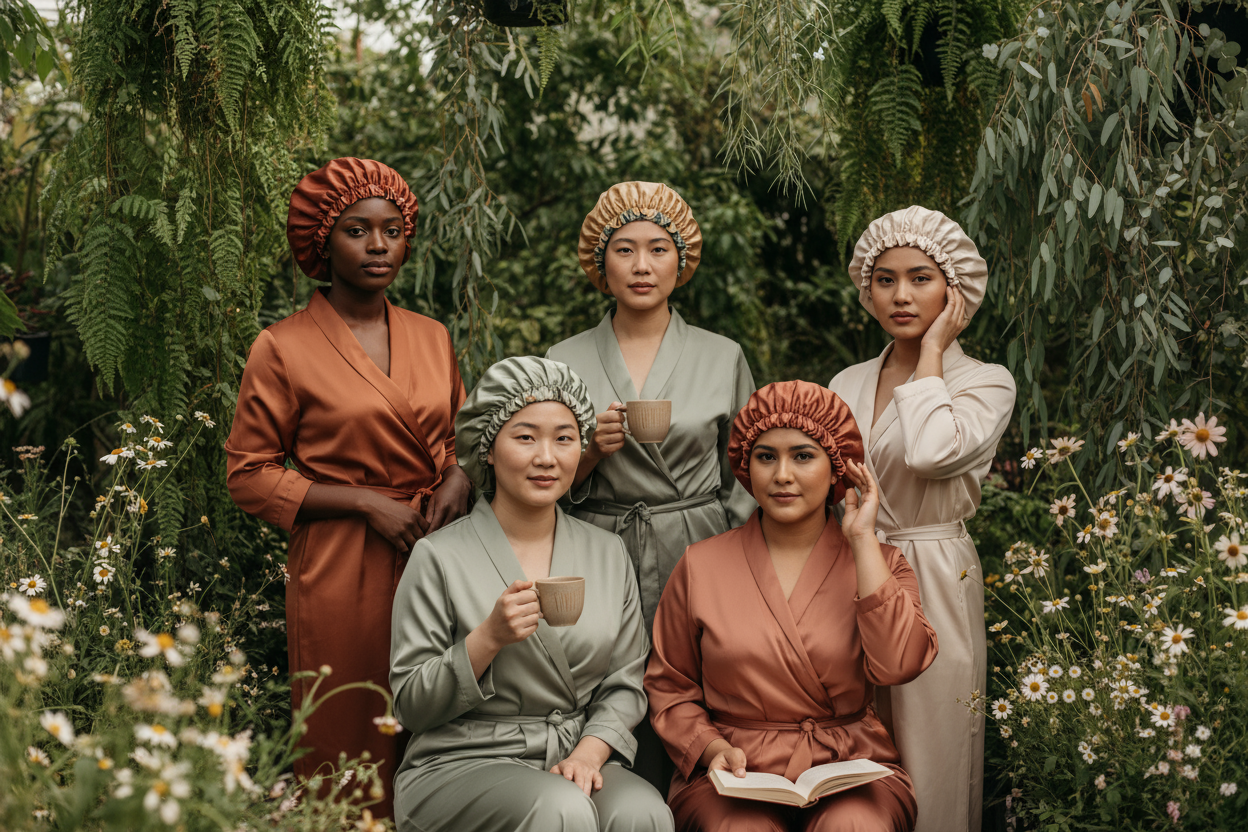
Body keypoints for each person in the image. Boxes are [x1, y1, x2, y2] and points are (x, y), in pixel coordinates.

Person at [225, 158, 471, 817]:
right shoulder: (282, 347)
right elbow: (248, 475)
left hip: (436, 550)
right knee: (347, 729)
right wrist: (365, 503)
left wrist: (457, 476)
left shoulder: (433, 337)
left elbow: (466, 438)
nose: (378, 245)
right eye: (357, 231)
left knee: (441, 717)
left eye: (392, 230)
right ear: (321, 242)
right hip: (340, 562)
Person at [390, 356, 674, 832]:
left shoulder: (606, 552)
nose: (547, 457)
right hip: (461, 760)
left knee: (642, 812)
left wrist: (589, 752)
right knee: (560, 809)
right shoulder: (438, 556)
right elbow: (410, 705)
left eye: (564, 438)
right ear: (487, 447)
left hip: (576, 753)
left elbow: (625, 685)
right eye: (525, 437)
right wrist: (487, 638)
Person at [645, 381, 938, 832]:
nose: (782, 475)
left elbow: (900, 665)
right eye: (766, 456)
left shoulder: (882, 564)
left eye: (803, 456)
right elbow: (670, 685)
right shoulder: (699, 565)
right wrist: (709, 749)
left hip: (851, 766)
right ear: (746, 464)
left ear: (838, 465)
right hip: (734, 770)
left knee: (856, 825)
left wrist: (862, 540)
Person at [827, 206, 1017, 832]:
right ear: (867, 287)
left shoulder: (986, 382)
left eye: (921, 278)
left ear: (953, 289)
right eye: (885, 279)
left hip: (933, 571)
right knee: (854, 747)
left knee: (932, 749)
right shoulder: (847, 380)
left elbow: (931, 452)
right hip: (850, 568)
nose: (901, 295)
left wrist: (933, 349)